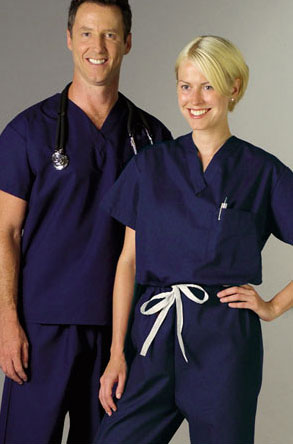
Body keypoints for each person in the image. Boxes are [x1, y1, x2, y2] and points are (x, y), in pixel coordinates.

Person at [94, 35, 293, 444]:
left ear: (233, 87)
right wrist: (116, 354)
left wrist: (273, 306)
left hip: (224, 345)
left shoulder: (262, 171)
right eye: (186, 86)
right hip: (152, 337)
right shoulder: (150, 165)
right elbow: (128, 262)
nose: (195, 99)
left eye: (208, 85)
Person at [0, 1, 172, 443]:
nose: (98, 46)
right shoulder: (27, 132)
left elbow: (166, 242)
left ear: (128, 42)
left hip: (120, 336)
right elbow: (6, 232)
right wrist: (6, 322)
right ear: (69, 38)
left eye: (111, 34)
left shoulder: (152, 139)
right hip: (42, 329)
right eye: (87, 33)